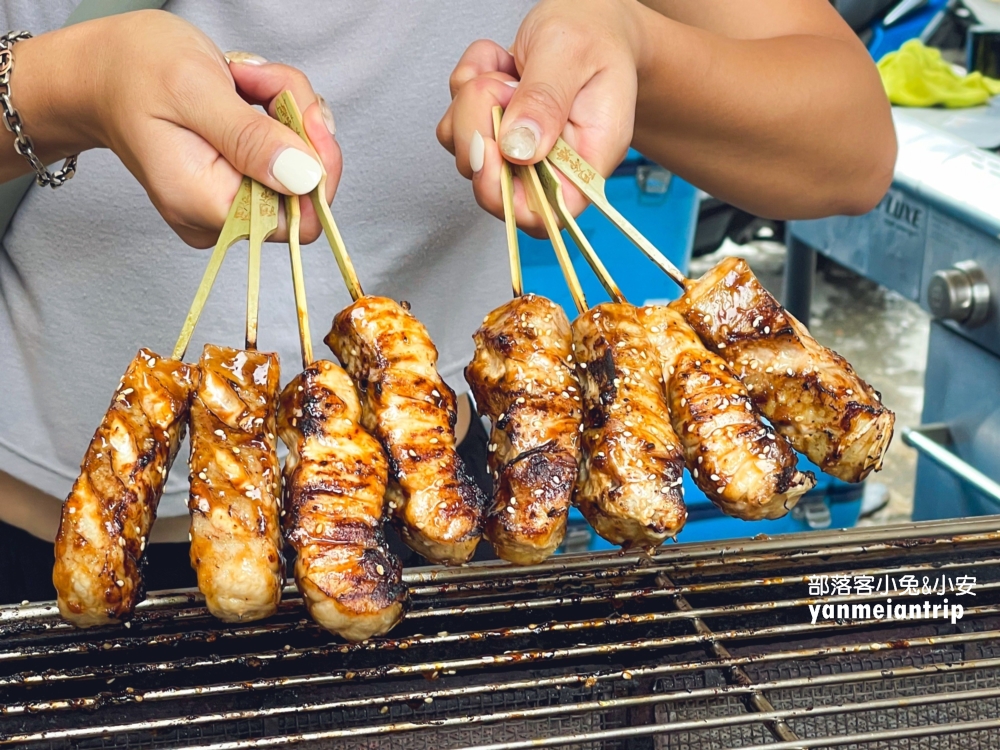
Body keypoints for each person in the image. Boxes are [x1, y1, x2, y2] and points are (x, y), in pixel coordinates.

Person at [0, 1, 895, 603]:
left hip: (435, 532)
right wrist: (65, 87)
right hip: (31, 533)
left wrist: (639, 44)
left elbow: (849, 148)